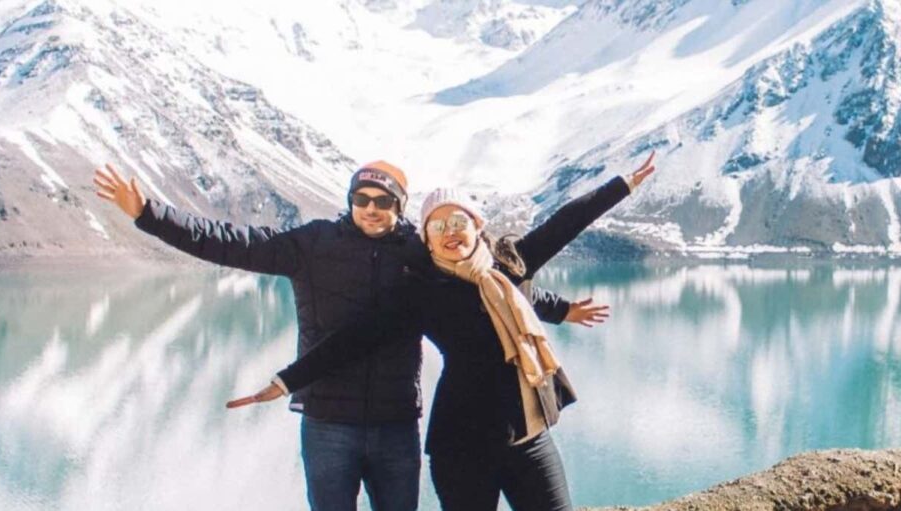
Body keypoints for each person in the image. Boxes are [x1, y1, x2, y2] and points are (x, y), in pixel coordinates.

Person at [92, 162, 602, 511]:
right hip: (327, 420)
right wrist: (148, 214)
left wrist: (560, 309)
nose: (372, 207)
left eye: (384, 200)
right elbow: (230, 244)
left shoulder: (419, 254)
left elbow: (492, 288)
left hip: (396, 420)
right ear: (350, 201)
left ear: (401, 208)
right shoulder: (311, 245)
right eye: (362, 198)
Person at [227, 153, 658, 510]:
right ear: (427, 240)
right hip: (461, 447)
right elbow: (351, 340)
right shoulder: (420, 293)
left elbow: (564, 227)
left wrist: (621, 186)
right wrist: (286, 382)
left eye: (458, 223)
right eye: (437, 226)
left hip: (527, 437)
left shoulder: (509, 267)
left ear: (477, 228)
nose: (450, 233)